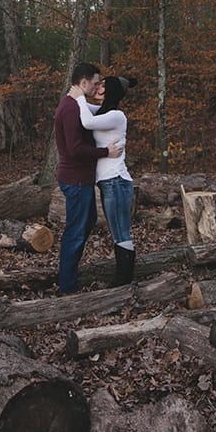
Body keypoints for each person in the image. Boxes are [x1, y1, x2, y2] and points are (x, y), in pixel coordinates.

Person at [54, 63, 123, 295]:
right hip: (75, 180)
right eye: (95, 83)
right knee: (75, 231)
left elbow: (98, 115)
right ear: (83, 82)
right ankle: (68, 287)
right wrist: (106, 152)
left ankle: (69, 275)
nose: (97, 87)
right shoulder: (71, 109)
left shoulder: (75, 105)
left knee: (87, 221)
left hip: (80, 179)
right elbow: (75, 149)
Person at [69, 75, 138, 286]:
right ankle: (123, 281)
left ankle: (124, 283)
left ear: (112, 92)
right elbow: (82, 111)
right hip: (110, 183)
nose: (98, 88)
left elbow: (86, 121)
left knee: (120, 233)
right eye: (97, 85)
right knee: (118, 232)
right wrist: (77, 97)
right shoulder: (103, 113)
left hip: (115, 181)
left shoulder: (117, 116)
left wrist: (79, 96)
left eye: (103, 86)